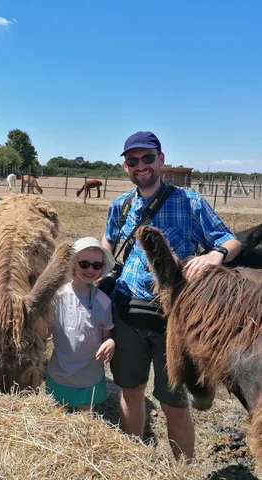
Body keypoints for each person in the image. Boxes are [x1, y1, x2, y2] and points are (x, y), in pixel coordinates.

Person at [101, 131, 241, 460]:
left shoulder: (191, 203)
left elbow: (232, 241)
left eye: (148, 158)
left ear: (161, 160)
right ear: (125, 167)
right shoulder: (119, 206)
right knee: (131, 391)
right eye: (133, 161)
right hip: (127, 314)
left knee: (173, 403)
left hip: (174, 322)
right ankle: (134, 460)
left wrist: (215, 254)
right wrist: (98, 266)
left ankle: (183, 468)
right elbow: (108, 242)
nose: (141, 166)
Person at [45, 237, 116, 411]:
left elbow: (107, 334)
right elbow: (45, 333)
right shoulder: (57, 296)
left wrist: (110, 342)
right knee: (56, 419)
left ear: (101, 269)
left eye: (96, 265)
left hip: (89, 375)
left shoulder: (104, 302)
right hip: (60, 373)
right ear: (73, 265)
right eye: (84, 264)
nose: (90, 269)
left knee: (85, 420)